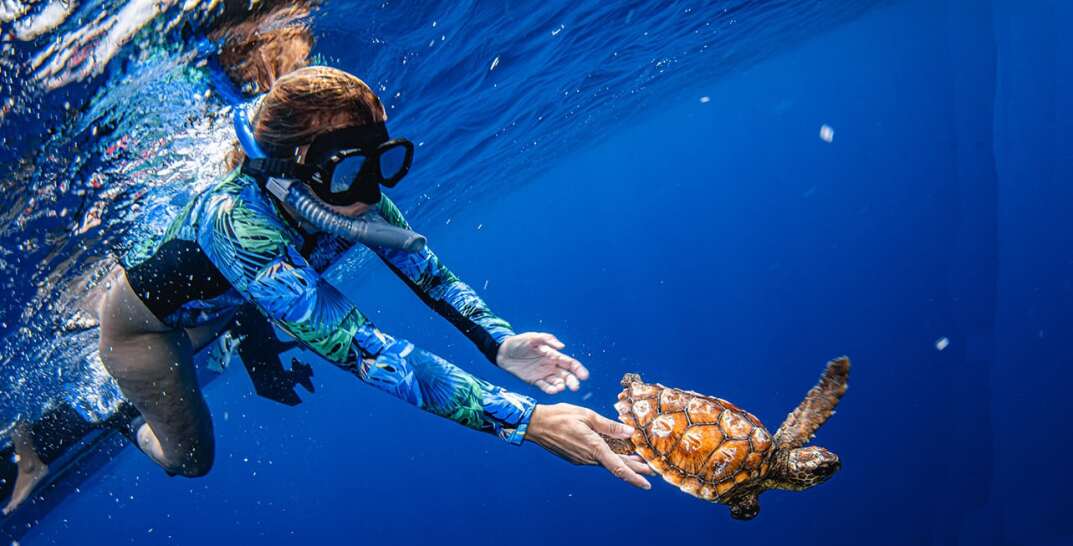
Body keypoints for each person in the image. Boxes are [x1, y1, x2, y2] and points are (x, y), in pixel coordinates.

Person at [96, 16, 653, 490]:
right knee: (193, 461)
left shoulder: (351, 197)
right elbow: (366, 350)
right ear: (289, 170)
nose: (368, 192)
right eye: (346, 168)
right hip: (147, 331)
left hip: (229, 302)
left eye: (381, 162)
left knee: (244, 325)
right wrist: (528, 421)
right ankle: (128, 423)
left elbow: (432, 278)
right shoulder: (238, 226)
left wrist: (498, 341)